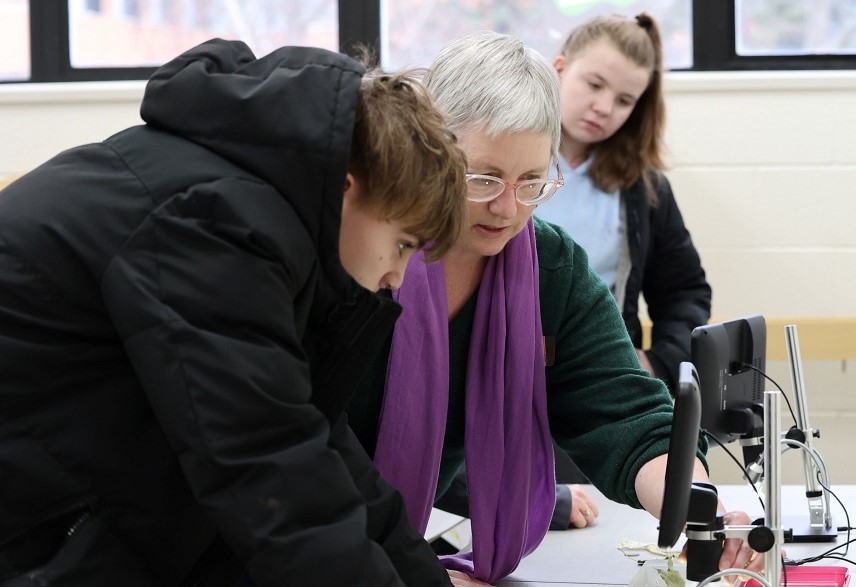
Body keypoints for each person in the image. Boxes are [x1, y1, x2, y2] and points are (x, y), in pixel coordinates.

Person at [0, 39, 470, 586]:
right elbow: (270, 467)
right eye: (404, 243)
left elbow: (319, 447)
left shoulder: (247, 207)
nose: (397, 277)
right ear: (348, 189)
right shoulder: (215, 224)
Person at [347, 31, 760, 587]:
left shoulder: (552, 268)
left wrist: (693, 508)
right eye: (483, 177)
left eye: (532, 182)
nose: (506, 208)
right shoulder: (360, 248)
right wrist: (414, 573)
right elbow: (303, 446)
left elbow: (625, 411)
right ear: (430, 148)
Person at [535, 12, 711, 393]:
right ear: (559, 69)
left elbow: (685, 292)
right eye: (594, 84)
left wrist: (658, 360)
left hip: (602, 381)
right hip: (502, 373)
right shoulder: (503, 160)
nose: (603, 107)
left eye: (624, 100)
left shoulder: (645, 190)